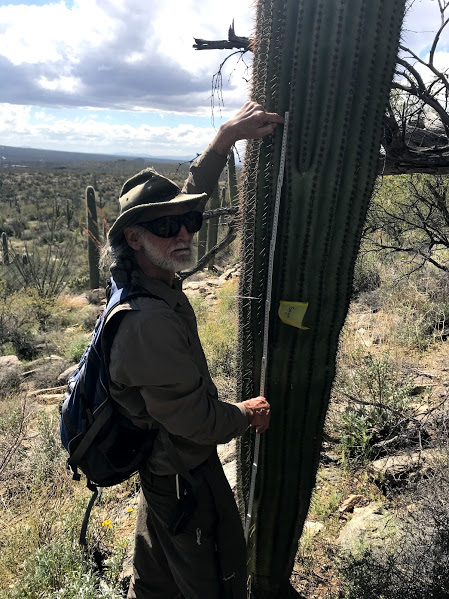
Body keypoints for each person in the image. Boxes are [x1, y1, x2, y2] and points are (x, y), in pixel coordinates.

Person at [104, 102, 283, 599]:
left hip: (162, 468)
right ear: (135, 237)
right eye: (166, 228)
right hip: (183, 474)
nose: (183, 232)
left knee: (157, 580)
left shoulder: (138, 276)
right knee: (216, 579)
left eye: (190, 222)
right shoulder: (148, 324)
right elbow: (194, 420)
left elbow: (184, 199)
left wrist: (225, 138)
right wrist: (246, 415)